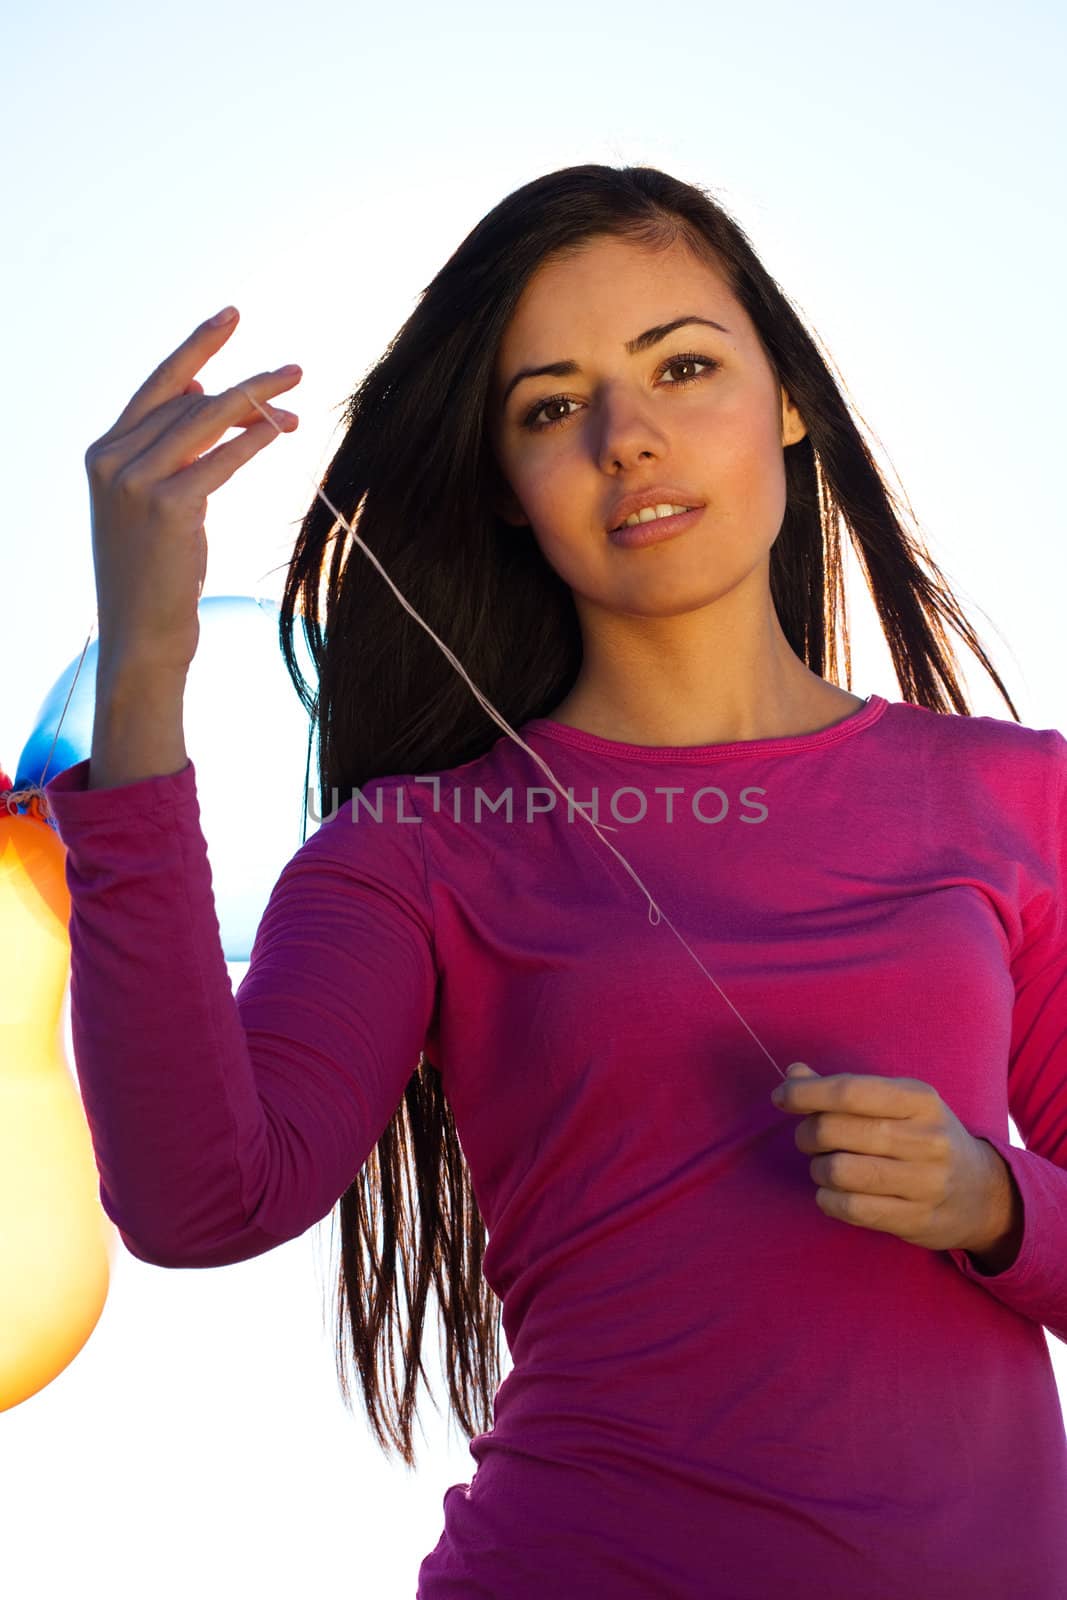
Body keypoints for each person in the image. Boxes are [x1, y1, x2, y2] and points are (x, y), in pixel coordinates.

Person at [44, 165, 1067, 1598]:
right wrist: (144, 667)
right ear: (514, 493)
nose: (628, 440)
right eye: (551, 407)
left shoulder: (1022, 796)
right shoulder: (412, 851)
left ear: (789, 401)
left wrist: (995, 1203)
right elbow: (200, 1201)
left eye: (684, 367)